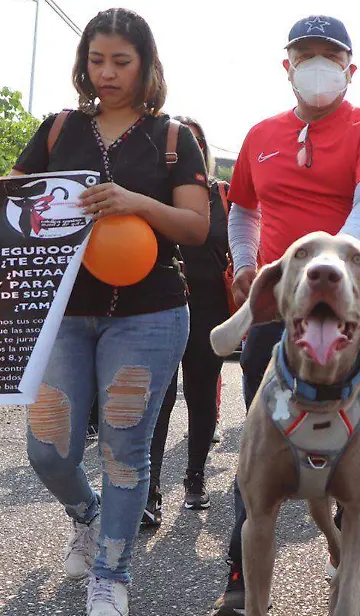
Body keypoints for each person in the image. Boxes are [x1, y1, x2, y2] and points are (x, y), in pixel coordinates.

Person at [12, 8, 210, 616]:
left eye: (121, 62)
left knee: (125, 446)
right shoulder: (58, 129)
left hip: (149, 314)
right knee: (47, 451)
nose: (107, 73)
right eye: (96, 60)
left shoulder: (174, 138)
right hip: (66, 313)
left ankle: (111, 571)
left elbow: (197, 228)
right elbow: (9, 200)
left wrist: (134, 202)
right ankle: (91, 516)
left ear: (146, 66)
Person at [212, 15, 360, 616]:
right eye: (305, 54)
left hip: (350, 312)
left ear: (350, 68)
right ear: (286, 65)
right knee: (260, 442)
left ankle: (353, 554)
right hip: (279, 311)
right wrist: (246, 263)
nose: (317, 64)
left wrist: (330, 268)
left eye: (330, 55)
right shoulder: (260, 134)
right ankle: (241, 576)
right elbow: (242, 209)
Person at [142, 116, 232, 526]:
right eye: (180, 146)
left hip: (209, 308)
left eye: (197, 143)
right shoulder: (152, 194)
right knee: (159, 399)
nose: (188, 152)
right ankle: (150, 489)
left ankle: (195, 479)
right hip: (159, 304)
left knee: (200, 394)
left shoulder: (223, 197)